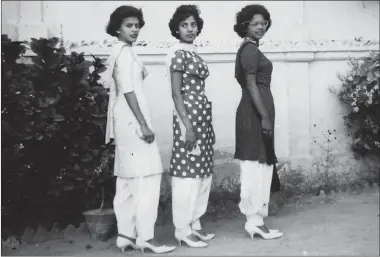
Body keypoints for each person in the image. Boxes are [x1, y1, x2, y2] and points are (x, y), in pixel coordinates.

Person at [101, 5, 175, 254]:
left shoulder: (123, 51)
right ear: (117, 28)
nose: (134, 30)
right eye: (128, 25)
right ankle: (145, 237)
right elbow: (128, 90)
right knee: (147, 177)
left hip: (125, 119)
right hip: (132, 121)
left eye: (136, 25)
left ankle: (125, 235)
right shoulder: (123, 53)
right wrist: (143, 124)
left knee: (127, 178)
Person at [166, 4, 215, 248]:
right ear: (176, 29)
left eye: (193, 24)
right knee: (187, 174)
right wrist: (188, 126)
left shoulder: (193, 53)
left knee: (202, 172)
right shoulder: (177, 54)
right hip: (187, 117)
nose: (189, 29)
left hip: (202, 116)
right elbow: (176, 94)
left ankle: (195, 225)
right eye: (184, 25)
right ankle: (182, 229)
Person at [233, 4, 283, 240]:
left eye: (263, 23)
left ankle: (257, 220)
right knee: (255, 165)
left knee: (261, 165)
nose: (261, 26)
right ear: (245, 26)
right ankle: (254, 221)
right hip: (254, 113)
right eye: (255, 23)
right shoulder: (250, 50)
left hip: (257, 110)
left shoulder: (250, 48)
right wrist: (264, 116)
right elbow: (251, 84)